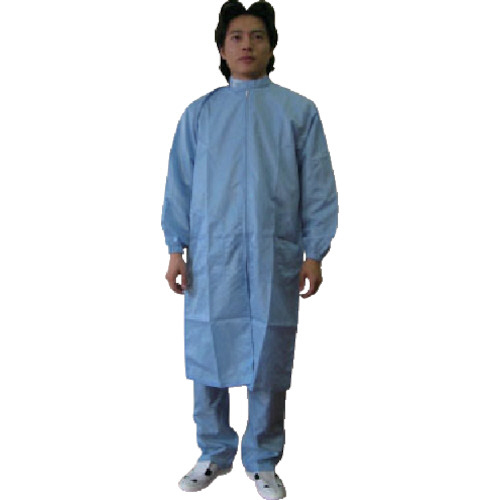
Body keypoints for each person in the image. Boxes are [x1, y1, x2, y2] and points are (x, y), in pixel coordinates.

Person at [161, 1, 338, 498]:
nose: (246, 45)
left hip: (272, 254)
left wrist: (314, 252)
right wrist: (175, 248)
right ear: (221, 48)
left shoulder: (298, 112)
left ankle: (262, 459)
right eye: (236, 36)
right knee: (208, 353)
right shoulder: (200, 114)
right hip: (212, 258)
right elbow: (180, 184)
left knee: (269, 357)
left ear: (271, 46)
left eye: (257, 36)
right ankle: (213, 451)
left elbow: (318, 185)